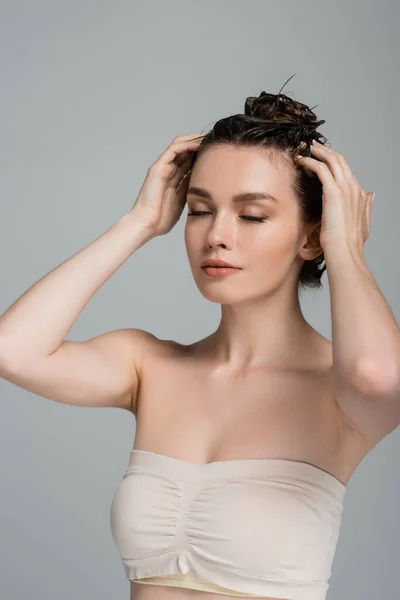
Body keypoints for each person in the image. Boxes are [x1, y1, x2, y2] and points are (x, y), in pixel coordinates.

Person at [0, 77, 388, 600]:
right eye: (200, 210)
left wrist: (345, 249)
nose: (216, 235)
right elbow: (14, 350)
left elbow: (378, 376)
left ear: (311, 234)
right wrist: (138, 222)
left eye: (252, 215)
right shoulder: (149, 367)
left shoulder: (341, 391)